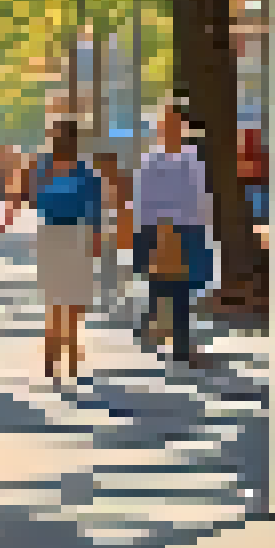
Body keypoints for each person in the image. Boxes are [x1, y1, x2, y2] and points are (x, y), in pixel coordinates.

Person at [134, 102, 214, 369]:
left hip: (185, 229)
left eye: (175, 124)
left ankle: (163, 328)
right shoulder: (151, 161)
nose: (171, 130)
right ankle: (176, 342)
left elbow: (200, 197)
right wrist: (153, 230)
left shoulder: (192, 159)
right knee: (171, 285)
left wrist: (202, 225)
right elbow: (144, 200)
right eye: (166, 124)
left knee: (177, 286)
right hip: (164, 230)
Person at [30, 119, 104, 383]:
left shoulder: (85, 172)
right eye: (55, 136)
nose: (58, 141)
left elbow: (94, 206)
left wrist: (95, 236)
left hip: (76, 235)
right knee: (53, 299)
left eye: (63, 137)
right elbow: (36, 200)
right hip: (51, 236)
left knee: (73, 300)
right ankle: (52, 356)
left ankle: (71, 353)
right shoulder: (44, 169)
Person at [93, 150, 134, 322]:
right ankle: (109, 302)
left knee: (118, 268)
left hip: (115, 229)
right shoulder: (96, 184)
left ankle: (116, 301)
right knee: (106, 267)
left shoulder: (120, 184)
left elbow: (126, 206)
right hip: (104, 230)